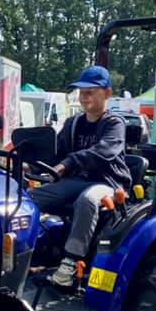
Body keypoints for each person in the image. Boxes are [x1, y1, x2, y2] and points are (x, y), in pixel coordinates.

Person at [30, 66, 131, 288]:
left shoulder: (114, 124)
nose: (84, 97)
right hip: (77, 181)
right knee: (30, 198)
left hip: (107, 183)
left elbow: (103, 151)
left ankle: (70, 263)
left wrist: (67, 164)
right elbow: (57, 154)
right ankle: (26, 253)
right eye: (81, 92)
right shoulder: (72, 123)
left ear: (107, 93)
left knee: (87, 199)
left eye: (90, 92)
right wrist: (33, 165)